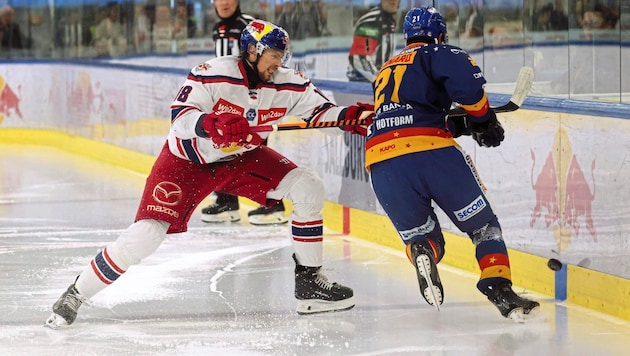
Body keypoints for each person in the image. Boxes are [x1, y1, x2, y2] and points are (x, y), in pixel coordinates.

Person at [45, 19, 366, 329]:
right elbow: (180, 117)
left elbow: (321, 112)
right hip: (187, 161)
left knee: (308, 186)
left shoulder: (288, 82)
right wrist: (210, 124)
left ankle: (309, 286)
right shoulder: (211, 74)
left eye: (282, 57)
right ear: (252, 51)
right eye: (273, 55)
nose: (278, 63)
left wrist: (351, 117)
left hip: (241, 158)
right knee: (146, 235)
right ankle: (76, 293)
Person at [364, 7, 540, 322]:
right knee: (483, 227)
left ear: (407, 37)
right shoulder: (437, 53)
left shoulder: (385, 68)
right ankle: (500, 289)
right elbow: (469, 91)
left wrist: (466, 123)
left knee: (427, 238)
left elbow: (415, 114)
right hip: (431, 155)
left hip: (381, 163)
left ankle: (422, 252)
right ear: (440, 34)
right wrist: (484, 121)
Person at [201, 0, 288, 225]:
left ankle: (273, 205)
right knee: (224, 150)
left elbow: (273, 59)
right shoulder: (217, 29)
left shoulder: (252, 27)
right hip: (227, 101)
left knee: (256, 151)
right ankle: (227, 201)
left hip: (253, 100)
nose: (224, 2)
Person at [346, 0, 399, 82]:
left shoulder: (388, 20)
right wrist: (381, 81)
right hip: (364, 86)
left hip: (376, 86)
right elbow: (360, 58)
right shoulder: (372, 21)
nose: (394, 1)